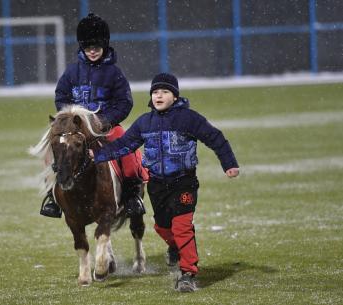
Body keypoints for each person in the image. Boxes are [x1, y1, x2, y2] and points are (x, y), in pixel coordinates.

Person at [88, 73, 239, 292]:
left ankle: (187, 273)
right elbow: (124, 145)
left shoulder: (189, 119)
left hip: (183, 183)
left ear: (175, 97)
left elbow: (215, 138)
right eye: (155, 92)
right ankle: (176, 247)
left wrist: (229, 164)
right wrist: (98, 156)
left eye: (165, 92)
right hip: (157, 185)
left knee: (182, 226)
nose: (159, 96)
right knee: (162, 227)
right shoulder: (144, 122)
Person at [40, 13, 148, 219]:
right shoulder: (71, 72)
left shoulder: (114, 73)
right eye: (88, 47)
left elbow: (125, 102)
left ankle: (133, 193)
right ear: (82, 47)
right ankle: (52, 196)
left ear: (104, 46)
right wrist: (69, 119)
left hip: (106, 127)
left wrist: (105, 121)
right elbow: (61, 95)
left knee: (126, 147)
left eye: (96, 47)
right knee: (51, 148)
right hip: (76, 128)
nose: (92, 51)